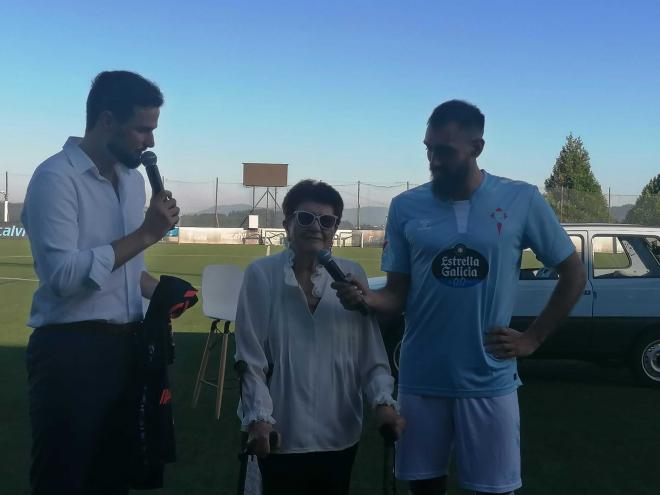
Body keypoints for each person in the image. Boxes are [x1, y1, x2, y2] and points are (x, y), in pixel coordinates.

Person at [332, 100, 587, 495]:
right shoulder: (405, 207)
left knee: (494, 490)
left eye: (444, 150)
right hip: (421, 378)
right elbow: (396, 295)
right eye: (429, 148)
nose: (433, 159)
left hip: (489, 379)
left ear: (476, 148)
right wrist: (366, 298)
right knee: (423, 488)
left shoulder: (521, 199)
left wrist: (532, 338)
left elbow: (573, 272)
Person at [22, 71, 179, 495]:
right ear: (107, 120)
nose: (150, 142)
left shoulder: (131, 182)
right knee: (65, 479)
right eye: (143, 129)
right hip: (70, 354)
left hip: (128, 350)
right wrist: (146, 234)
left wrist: (158, 291)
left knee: (115, 478)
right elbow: (62, 278)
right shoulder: (55, 178)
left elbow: (125, 270)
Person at [235, 179, 405, 495]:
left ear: (335, 228)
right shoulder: (261, 274)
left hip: (339, 430)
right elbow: (250, 357)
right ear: (287, 223)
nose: (316, 227)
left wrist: (382, 401)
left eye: (327, 221)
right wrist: (258, 417)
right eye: (305, 218)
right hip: (280, 430)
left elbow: (371, 354)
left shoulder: (352, 274)